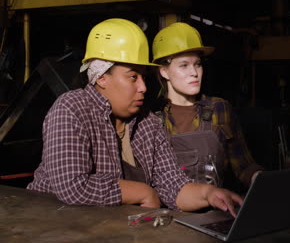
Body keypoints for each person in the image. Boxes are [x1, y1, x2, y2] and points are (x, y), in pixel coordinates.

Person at [26, 18, 242, 216]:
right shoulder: (71, 108)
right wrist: (143, 192)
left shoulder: (147, 123)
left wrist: (209, 193)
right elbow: (72, 186)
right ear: (101, 77)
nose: (143, 87)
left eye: (144, 77)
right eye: (132, 77)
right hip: (53, 225)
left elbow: (173, 185)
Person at [151, 22, 264, 191]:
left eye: (197, 64)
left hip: (214, 212)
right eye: (184, 65)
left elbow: (243, 165)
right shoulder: (152, 119)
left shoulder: (219, 109)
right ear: (164, 71)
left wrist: (263, 180)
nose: (194, 73)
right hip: (169, 215)